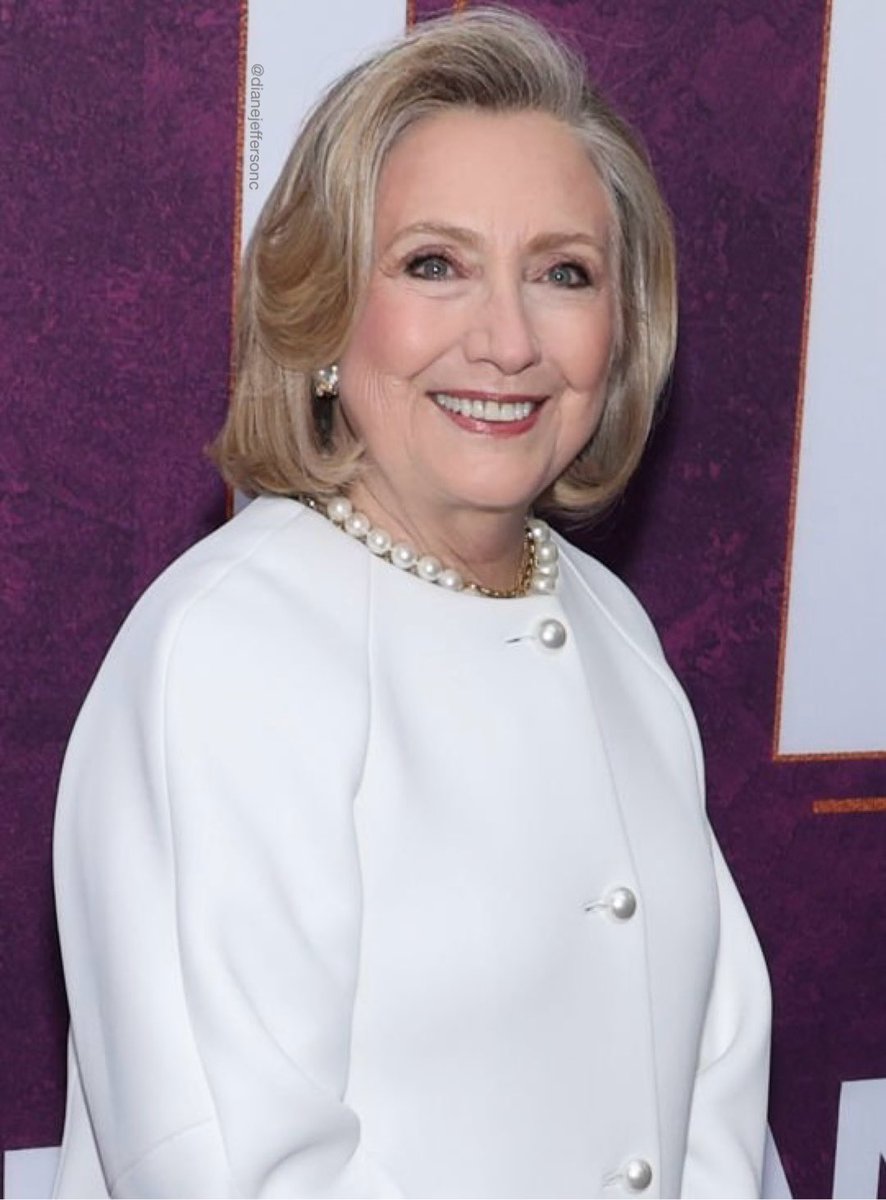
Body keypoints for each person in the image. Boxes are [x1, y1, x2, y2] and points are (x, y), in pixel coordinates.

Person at [52, 9, 771, 1198]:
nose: (505, 339)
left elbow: (712, 1102)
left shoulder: (611, 625)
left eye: (563, 273)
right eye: (434, 264)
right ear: (327, 311)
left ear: (619, 332)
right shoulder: (228, 647)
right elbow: (230, 1171)